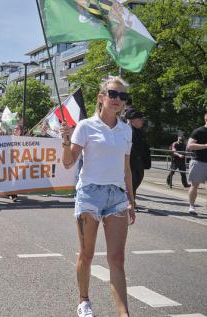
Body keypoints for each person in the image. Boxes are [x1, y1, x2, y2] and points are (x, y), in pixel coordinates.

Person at [61, 76, 135, 317]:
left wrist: (131, 201)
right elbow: (68, 162)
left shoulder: (126, 130)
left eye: (122, 97)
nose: (118, 100)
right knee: (87, 253)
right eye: (113, 94)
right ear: (101, 98)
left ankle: (124, 313)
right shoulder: (85, 126)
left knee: (117, 258)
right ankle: (84, 301)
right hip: (89, 194)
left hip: (117, 197)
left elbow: (126, 169)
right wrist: (65, 141)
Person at [125, 108, 151, 200]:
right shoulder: (127, 132)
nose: (142, 121)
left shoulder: (140, 131)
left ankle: (131, 201)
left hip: (139, 163)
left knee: (135, 184)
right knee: (131, 184)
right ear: (133, 120)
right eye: (140, 119)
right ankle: (129, 203)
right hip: (130, 164)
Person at [186, 112, 207, 215]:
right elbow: (189, 146)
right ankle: (191, 206)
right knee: (195, 185)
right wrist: (205, 145)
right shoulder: (199, 131)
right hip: (199, 161)